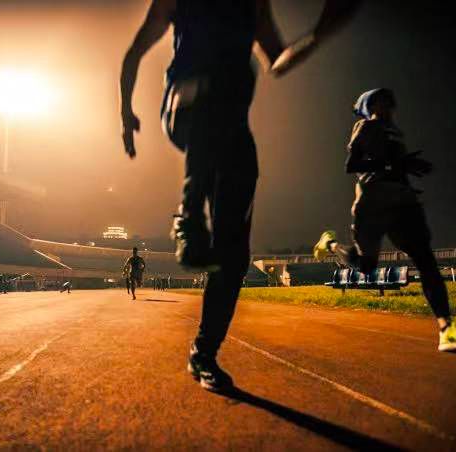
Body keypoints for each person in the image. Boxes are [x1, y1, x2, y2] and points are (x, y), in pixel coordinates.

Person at [119, 0, 358, 391]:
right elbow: (134, 52)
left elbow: (277, 60)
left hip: (232, 131)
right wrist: (125, 113)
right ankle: (189, 217)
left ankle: (204, 353)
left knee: (234, 254)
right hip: (185, 105)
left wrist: (318, 35)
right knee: (224, 81)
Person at [313, 88, 456, 352]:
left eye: (389, 103)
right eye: (380, 102)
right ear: (368, 107)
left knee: (425, 259)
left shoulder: (394, 134)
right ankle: (329, 244)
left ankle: (447, 329)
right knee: (366, 265)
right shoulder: (366, 126)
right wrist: (394, 165)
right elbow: (352, 165)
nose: (387, 107)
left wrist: (405, 165)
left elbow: (393, 166)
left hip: (403, 203)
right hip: (373, 202)